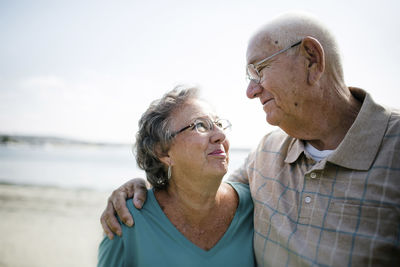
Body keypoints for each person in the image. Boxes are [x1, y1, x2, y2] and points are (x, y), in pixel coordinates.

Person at [100, 12, 400, 266]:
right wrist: (135, 189)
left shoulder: (394, 148)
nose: (251, 91)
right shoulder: (266, 154)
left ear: (311, 59)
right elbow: (196, 190)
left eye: (260, 69)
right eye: (200, 126)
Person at [98, 87, 255, 266]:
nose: (220, 135)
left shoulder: (255, 204)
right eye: (200, 125)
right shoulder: (128, 219)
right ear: (164, 152)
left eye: (219, 124)